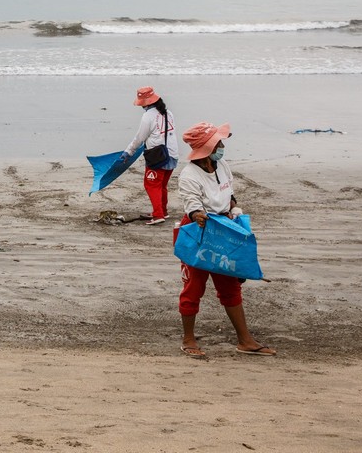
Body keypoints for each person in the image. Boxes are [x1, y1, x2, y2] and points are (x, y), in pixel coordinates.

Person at [175, 121, 276, 358]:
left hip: (225, 229)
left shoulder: (222, 165)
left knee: (230, 287)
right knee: (193, 287)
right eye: (217, 142)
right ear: (206, 148)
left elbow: (228, 193)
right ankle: (188, 339)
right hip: (200, 234)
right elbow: (193, 207)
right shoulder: (189, 175)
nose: (221, 146)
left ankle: (245, 340)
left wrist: (235, 209)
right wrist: (199, 216)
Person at [118, 86, 178, 225]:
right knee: (162, 185)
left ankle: (158, 215)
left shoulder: (148, 116)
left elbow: (140, 138)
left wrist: (129, 151)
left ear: (145, 103)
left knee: (151, 185)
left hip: (158, 157)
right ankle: (163, 211)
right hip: (172, 155)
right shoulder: (168, 113)